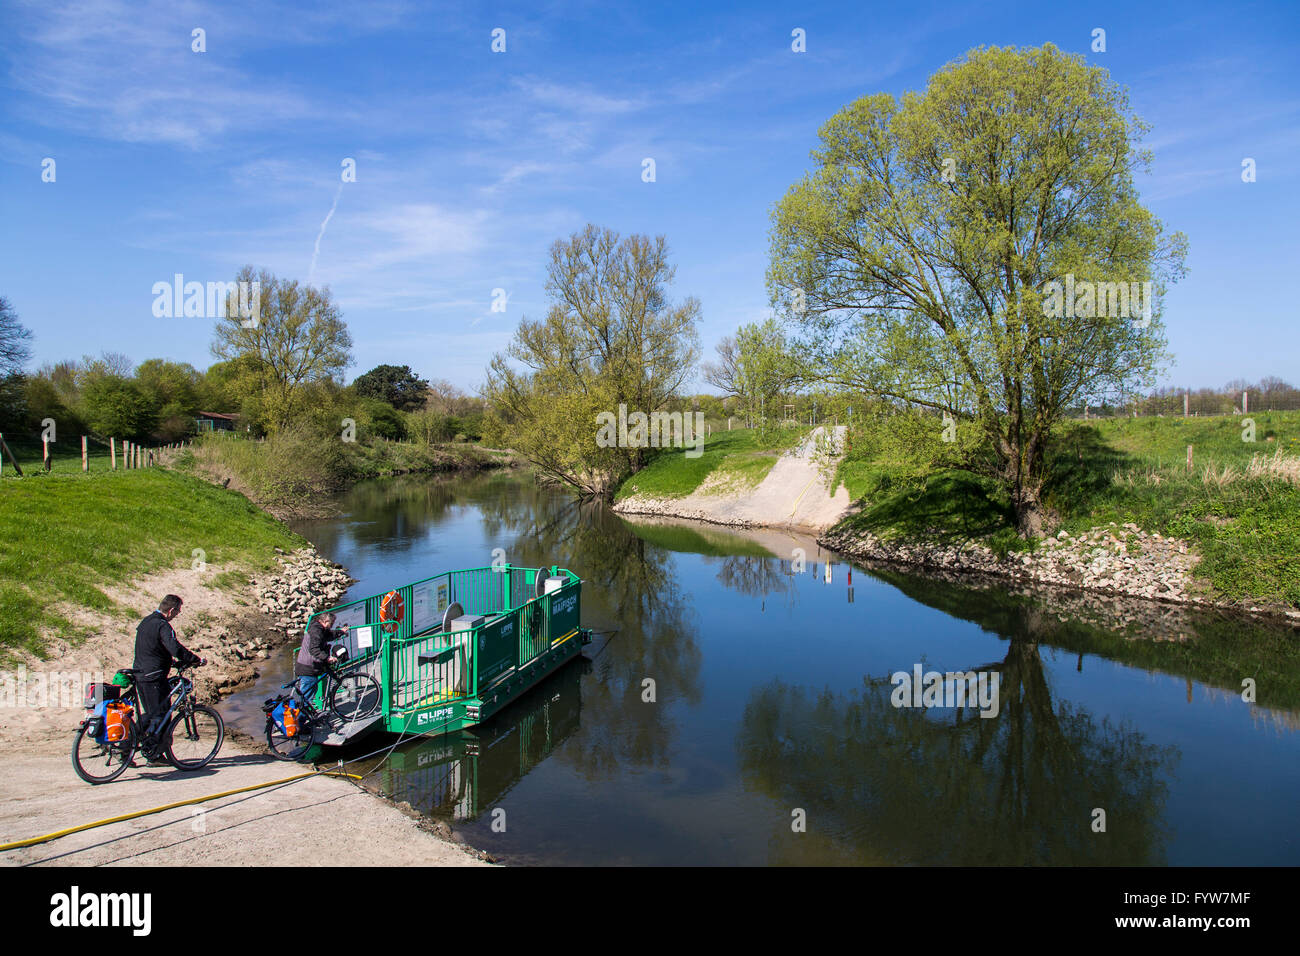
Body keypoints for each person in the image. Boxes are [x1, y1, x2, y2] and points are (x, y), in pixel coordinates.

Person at [132, 594, 204, 760]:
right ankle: (152, 755)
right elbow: (175, 648)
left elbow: (152, 648)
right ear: (171, 610)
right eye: (178, 611)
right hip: (154, 677)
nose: (178, 614)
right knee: (162, 715)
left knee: (151, 714)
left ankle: (131, 748)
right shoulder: (163, 626)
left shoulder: (146, 621)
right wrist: (195, 659)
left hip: (140, 674)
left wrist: (170, 662)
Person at [295, 612, 340, 705]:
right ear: (326, 621)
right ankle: (301, 718)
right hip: (308, 668)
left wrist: (341, 632)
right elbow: (314, 649)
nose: (332, 626)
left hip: (308, 666)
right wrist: (327, 658)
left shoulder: (319, 629)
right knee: (306, 700)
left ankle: (305, 716)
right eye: (331, 623)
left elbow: (328, 635)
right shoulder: (316, 631)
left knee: (308, 695)